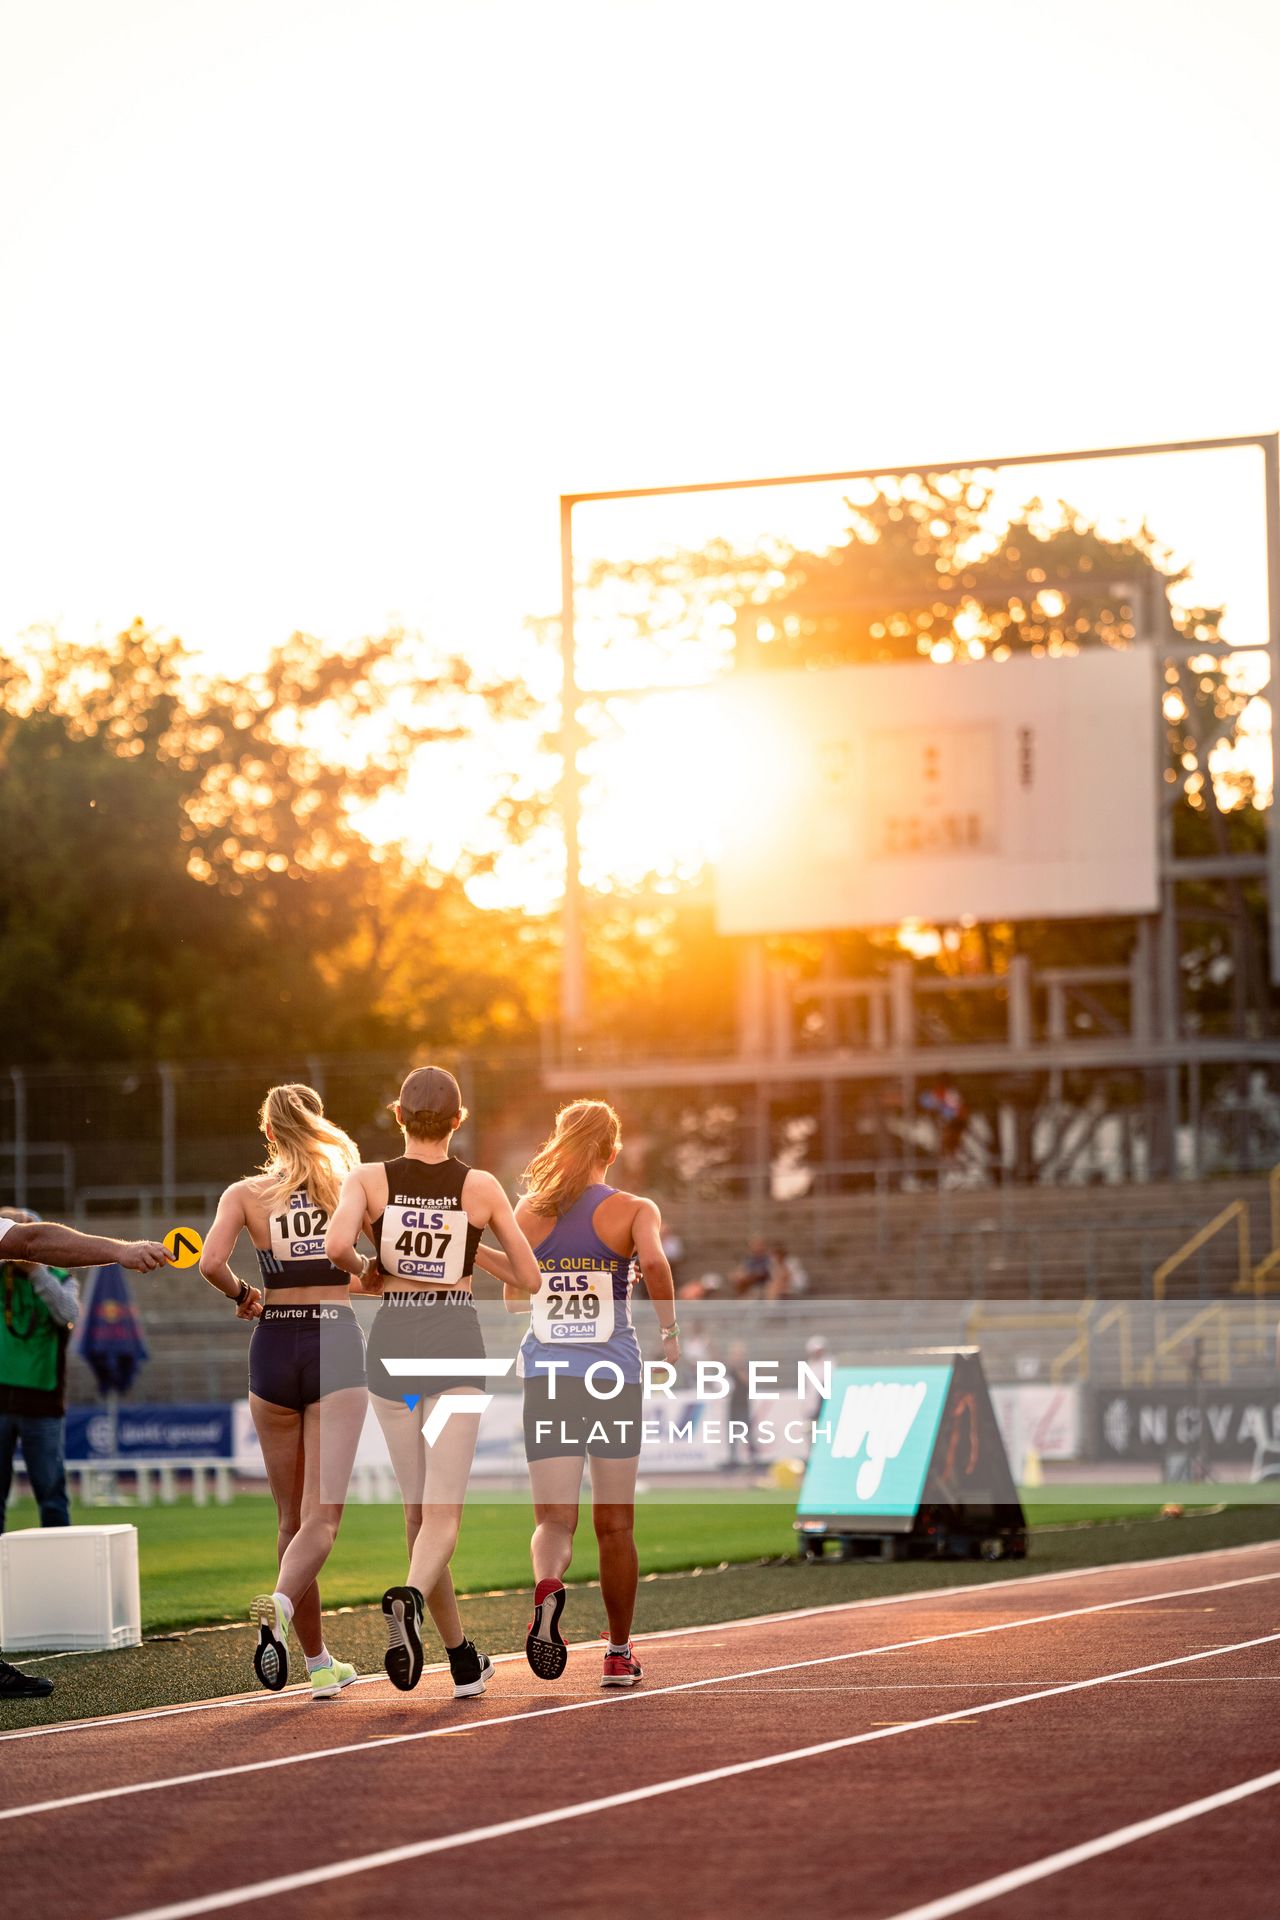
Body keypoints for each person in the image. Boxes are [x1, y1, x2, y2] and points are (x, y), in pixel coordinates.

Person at [326, 1065, 542, 1698]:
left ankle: (462, 1659)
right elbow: (528, 1278)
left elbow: (337, 1245)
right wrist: (469, 1249)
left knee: (418, 1514)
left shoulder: (367, 1179)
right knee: (442, 1515)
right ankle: (410, 1598)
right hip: (451, 1342)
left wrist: (369, 1269)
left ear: (398, 1117)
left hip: (391, 1343)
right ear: (457, 1120)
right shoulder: (479, 1187)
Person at [473, 1099, 678, 1690]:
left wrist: (499, 1263)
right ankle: (617, 1653)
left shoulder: (530, 1212)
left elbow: (515, 1299)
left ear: (559, 1144)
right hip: (612, 1377)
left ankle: (547, 1587)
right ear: (612, 1152)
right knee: (615, 1526)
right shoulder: (634, 1209)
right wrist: (670, 1332)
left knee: (554, 1520)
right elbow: (658, 1266)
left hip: (547, 1380)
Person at [199, 1084, 369, 1702]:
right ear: (317, 1124)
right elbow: (371, 1267)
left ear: (268, 1134)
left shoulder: (246, 1194)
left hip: (272, 1345)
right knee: (322, 1520)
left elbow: (210, 1262)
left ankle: (320, 1664)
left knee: (290, 1519)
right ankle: (278, 1602)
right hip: (334, 1341)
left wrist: (243, 1294)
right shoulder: (346, 1186)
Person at [0, 1211, 172, 1702]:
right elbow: (31, 1239)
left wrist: (114, 1253)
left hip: (41, 1403)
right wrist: (119, 1250)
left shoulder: (48, 1273)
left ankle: (59, 1593)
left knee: (52, 1494)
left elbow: (34, 1247)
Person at [0, 1209, 80, 1537]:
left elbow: (68, 1314)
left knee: (51, 1494)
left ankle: (59, 1568)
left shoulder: (61, 1278)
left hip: (43, 1402)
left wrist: (35, 1272)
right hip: (0, 1401)